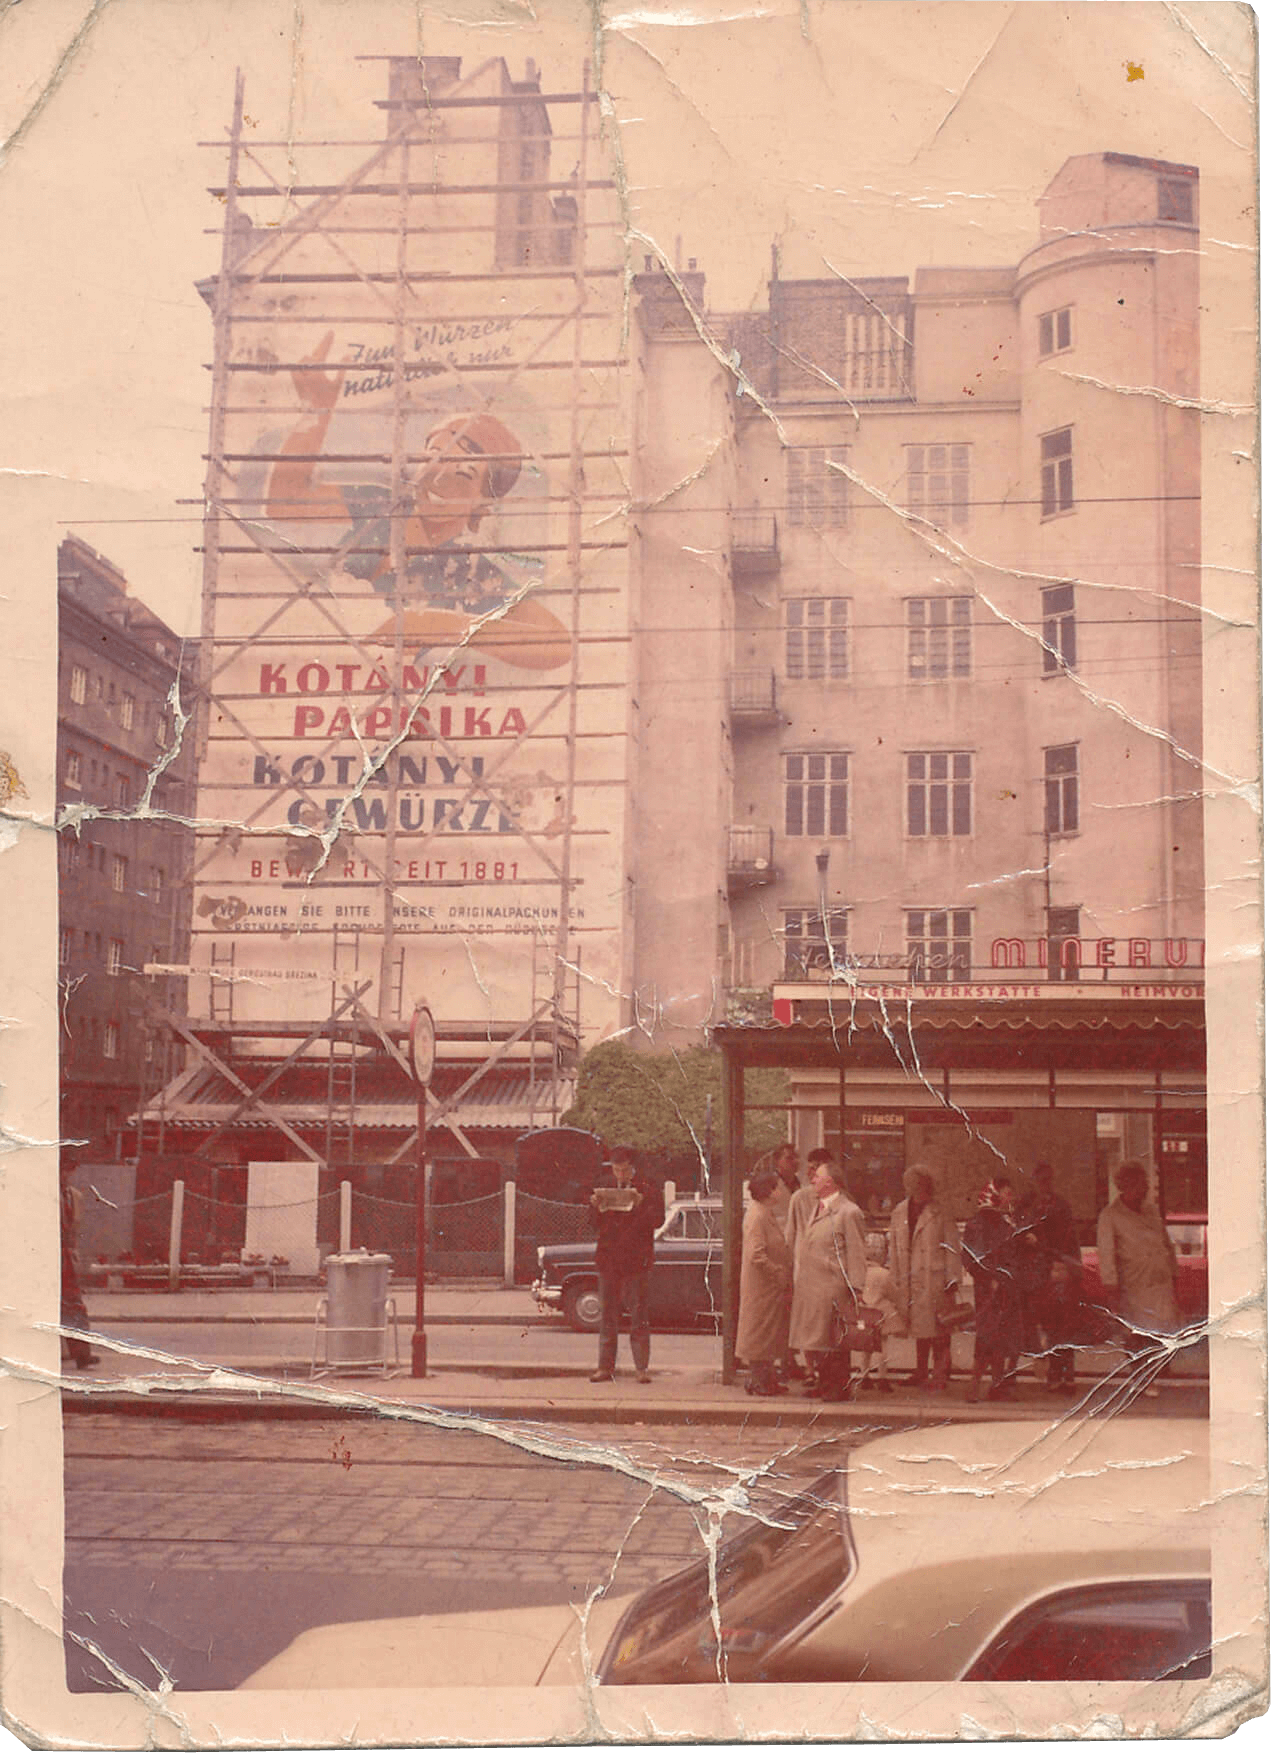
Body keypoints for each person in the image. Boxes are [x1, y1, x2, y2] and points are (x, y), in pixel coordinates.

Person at [1096, 1161, 1182, 1392]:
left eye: (1144, 1183)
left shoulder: (1151, 1211)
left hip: (1159, 1285)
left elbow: (1166, 1244)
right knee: (1135, 1333)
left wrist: (1174, 1274)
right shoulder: (1110, 1216)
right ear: (1125, 1186)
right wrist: (1111, 1288)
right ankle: (1140, 1377)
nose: (1144, 1188)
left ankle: (1150, 1372)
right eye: (1139, 1183)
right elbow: (1106, 1255)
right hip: (1132, 1285)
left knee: (1162, 1331)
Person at [788, 1162, 868, 1402]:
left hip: (833, 1286)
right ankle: (825, 1383)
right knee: (820, 1339)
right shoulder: (818, 1208)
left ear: (830, 1182)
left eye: (817, 1176)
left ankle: (838, 1387)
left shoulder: (848, 1212)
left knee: (835, 1339)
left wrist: (856, 1288)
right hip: (814, 1287)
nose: (812, 1180)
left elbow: (856, 1252)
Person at [587, 1146, 665, 1384]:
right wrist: (594, 1206)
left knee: (638, 1314)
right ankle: (604, 1367)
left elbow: (657, 1220)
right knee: (607, 1315)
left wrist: (640, 1205)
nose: (620, 1175)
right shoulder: (603, 1186)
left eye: (625, 1170)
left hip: (636, 1261)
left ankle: (641, 1369)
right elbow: (593, 1224)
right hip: (609, 1260)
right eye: (616, 1169)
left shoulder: (649, 1188)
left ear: (633, 1168)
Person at [888, 1167, 962, 1392]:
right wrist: (895, 1277)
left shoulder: (941, 1212)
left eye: (917, 1184)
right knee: (920, 1328)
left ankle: (939, 1373)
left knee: (940, 1327)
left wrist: (953, 1279)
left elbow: (952, 1247)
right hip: (910, 1278)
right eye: (909, 1184)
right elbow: (893, 1246)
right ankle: (921, 1371)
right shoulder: (900, 1211)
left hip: (935, 1279)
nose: (912, 1188)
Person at [1016, 1160, 1084, 1392]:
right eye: (1041, 1179)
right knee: (1052, 1324)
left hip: (1054, 1269)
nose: (1044, 1184)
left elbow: (1066, 1239)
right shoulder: (1031, 1206)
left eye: (1046, 1179)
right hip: (1043, 1271)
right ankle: (1058, 1373)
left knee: (1061, 1324)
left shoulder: (1053, 1206)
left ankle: (1062, 1374)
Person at [963, 1177, 1025, 1402]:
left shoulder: (993, 1221)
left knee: (995, 1337)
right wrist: (992, 1278)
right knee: (991, 1336)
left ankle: (990, 1386)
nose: (1011, 1197)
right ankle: (978, 1385)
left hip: (995, 1287)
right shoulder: (989, 1223)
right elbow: (977, 1257)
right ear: (995, 1194)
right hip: (994, 1288)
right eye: (1007, 1192)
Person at [737, 1172, 793, 1396]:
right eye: (776, 1187)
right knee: (760, 1335)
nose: (780, 1191)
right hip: (762, 1287)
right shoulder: (757, 1216)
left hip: (769, 1288)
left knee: (769, 1336)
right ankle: (758, 1381)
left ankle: (766, 1380)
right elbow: (756, 1254)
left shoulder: (764, 1213)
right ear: (768, 1191)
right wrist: (776, 1271)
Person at [60, 1159, 99, 1371]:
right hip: (46, 1256)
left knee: (75, 1304)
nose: (66, 1175)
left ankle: (82, 1354)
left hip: (66, 1258)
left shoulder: (75, 1196)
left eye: (69, 1171)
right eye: (64, 1171)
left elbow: (74, 1230)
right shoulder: (45, 1195)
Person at [857, 1231, 902, 1394]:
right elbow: (894, 1294)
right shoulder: (884, 1274)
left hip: (863, 1313)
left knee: (865, 1347)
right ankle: (882, 1377)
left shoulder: (859, 1272)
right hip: (880, 1314)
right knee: (882, 1346)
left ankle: (864, 1376)